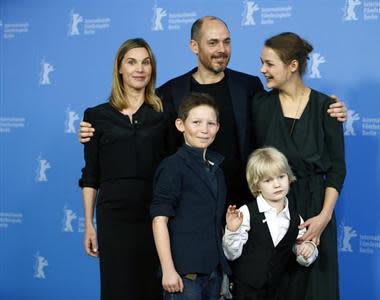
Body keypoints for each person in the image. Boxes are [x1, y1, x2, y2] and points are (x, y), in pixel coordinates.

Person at [78, 16, 348, 208]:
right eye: (213, 43)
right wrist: (97, 126)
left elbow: (288, 103)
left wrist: (328, 108)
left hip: (245, 202)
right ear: (194, 47)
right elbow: (139, 127)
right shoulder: (170, 92)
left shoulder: (249, 86)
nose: (222, 50)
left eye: (227, 42)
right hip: (189, 206)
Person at [252, 32, 347, 300]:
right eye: (262, 62)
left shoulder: (326, 107)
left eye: (269, 63)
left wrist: (324, 219)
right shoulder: (259, 105)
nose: (262, 69)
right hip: (273, 214)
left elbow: (337, 170)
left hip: (316, 213)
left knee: (316, 290)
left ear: (292, 65)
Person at [78, 38, 169, 300]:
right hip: (113, 217)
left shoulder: (162, 113)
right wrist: (88, 224)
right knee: (117, 288)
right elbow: (90, 175)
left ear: (152, 69)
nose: (139, 69)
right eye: (131, 62)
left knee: (151, 289)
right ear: (119, 68)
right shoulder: (96, 116)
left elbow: (174, 167)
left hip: (154, 216)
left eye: (146, 62)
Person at [150, 93, 231, 300]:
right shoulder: (173, 166)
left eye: (210, 123)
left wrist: (222, 272)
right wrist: (168, 269)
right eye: (196, 122)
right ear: (180, 124)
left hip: (213, 271)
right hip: (184, 274)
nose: (204, 129)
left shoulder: (217, 169)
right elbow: (159, 220)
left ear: (218, 128)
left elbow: (216, 223)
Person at [222, 147, 318, 300]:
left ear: (289, 177)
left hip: (278, 291)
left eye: (281, 177)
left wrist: (308, 249)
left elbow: (303, 254)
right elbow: (231, 254)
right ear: (257, 185)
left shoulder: (295, 218)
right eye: (268, 180)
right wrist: (232, 230)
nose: (277, 184)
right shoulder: (245, 213)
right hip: (245, 291)